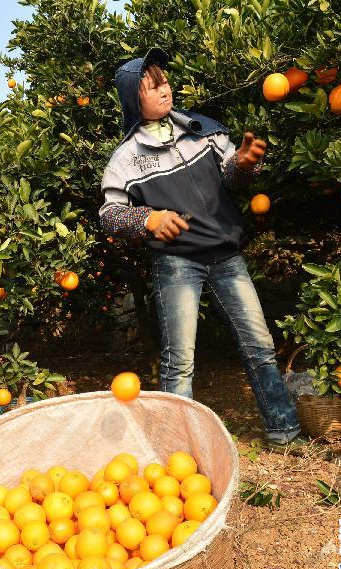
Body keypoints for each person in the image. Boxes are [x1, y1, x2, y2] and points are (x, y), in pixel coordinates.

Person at [99, 48, 304, 449]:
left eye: (164, 80)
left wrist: (242, 165)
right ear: (132, 100)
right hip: (177, 263)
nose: (163, 89)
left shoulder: (203, 130)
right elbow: (109, 214)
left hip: (227, 256)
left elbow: (233, 181)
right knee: (180, 362)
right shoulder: (125, 159)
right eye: (150, 86)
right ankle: (176, 451)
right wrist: (147, 219)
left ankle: (284, 430)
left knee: (259, 346)